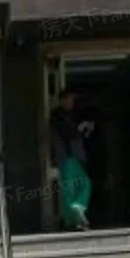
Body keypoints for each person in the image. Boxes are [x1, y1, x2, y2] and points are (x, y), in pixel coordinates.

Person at [49, 87, 93, 231]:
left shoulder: (73, 114)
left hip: (75, 155)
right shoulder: (57, 116)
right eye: (69, 99)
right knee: (71, 187)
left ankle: (75, 216)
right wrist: (80, 128)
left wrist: (86, 128)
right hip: (66, 156)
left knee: (80, 184)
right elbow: (68, 133)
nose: (71, 103)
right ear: (62, 100)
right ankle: (73, 217)